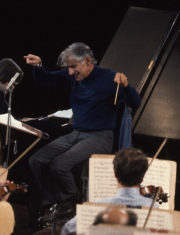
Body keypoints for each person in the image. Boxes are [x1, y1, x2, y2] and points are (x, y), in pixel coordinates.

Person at [24, 42, 141, 228]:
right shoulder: (72, 76)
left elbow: (136, 102)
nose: (70, 72)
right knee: (37, 160)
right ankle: (52, 203)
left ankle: (70, 202)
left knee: (59, 165)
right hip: (76, 133)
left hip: (100, 136)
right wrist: (38, 66)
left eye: (73, 67)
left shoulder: (110, 78)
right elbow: (45, 79)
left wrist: (126, 86)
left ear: (87, 61)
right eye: (68, 68)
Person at [60, 147, 158, 235]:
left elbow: (67, 230)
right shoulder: (154, 208)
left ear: (115, 174)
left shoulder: (97, 205)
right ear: (142, 178)